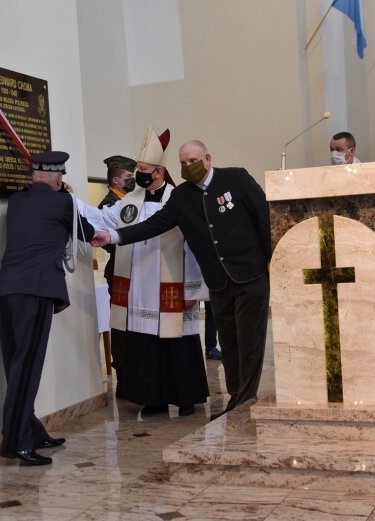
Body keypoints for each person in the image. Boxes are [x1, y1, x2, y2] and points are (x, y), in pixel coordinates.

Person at [91, 139, 271, 421]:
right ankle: (238, 397)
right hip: (219, 282)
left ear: (207, 159)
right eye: (183, 163)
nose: (188, 166)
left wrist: (270, 259)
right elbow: (153, 225)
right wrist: (113, 236)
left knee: (249, 341)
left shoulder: (236, 178)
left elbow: (263, 216)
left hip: (250, 275)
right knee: (230, 342)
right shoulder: (182, 196)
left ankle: (244, 401)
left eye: (193, 161)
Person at [81, 128, 209, 417]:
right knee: (145, 344)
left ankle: (185, 397)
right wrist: (70, 201)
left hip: (171, 282)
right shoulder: (131, 201)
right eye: (137, 169)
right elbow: (103, 218)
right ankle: (154, 398)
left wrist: (194, 288)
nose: (138, 174)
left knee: (176, 341)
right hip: (140, 286)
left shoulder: (179, 199)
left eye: (143, 169)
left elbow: (196, 246)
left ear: (159, 171)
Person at [0, 151, 95, 465]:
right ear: (57, 177)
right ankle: (17, 443)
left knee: (16, 366)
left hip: (8, 291)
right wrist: (71, 199)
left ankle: (31, 430)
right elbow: (87, 233)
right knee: (29, 367)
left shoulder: (16, 201)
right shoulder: (63, 202)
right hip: (36, 291)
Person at [98, 155, 136, 292]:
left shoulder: (132, 200)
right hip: (119, 267)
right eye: (129, 176)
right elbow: (106, 241)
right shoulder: (108, 205)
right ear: (116, 180)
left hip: (137, 267)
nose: (133, 180)